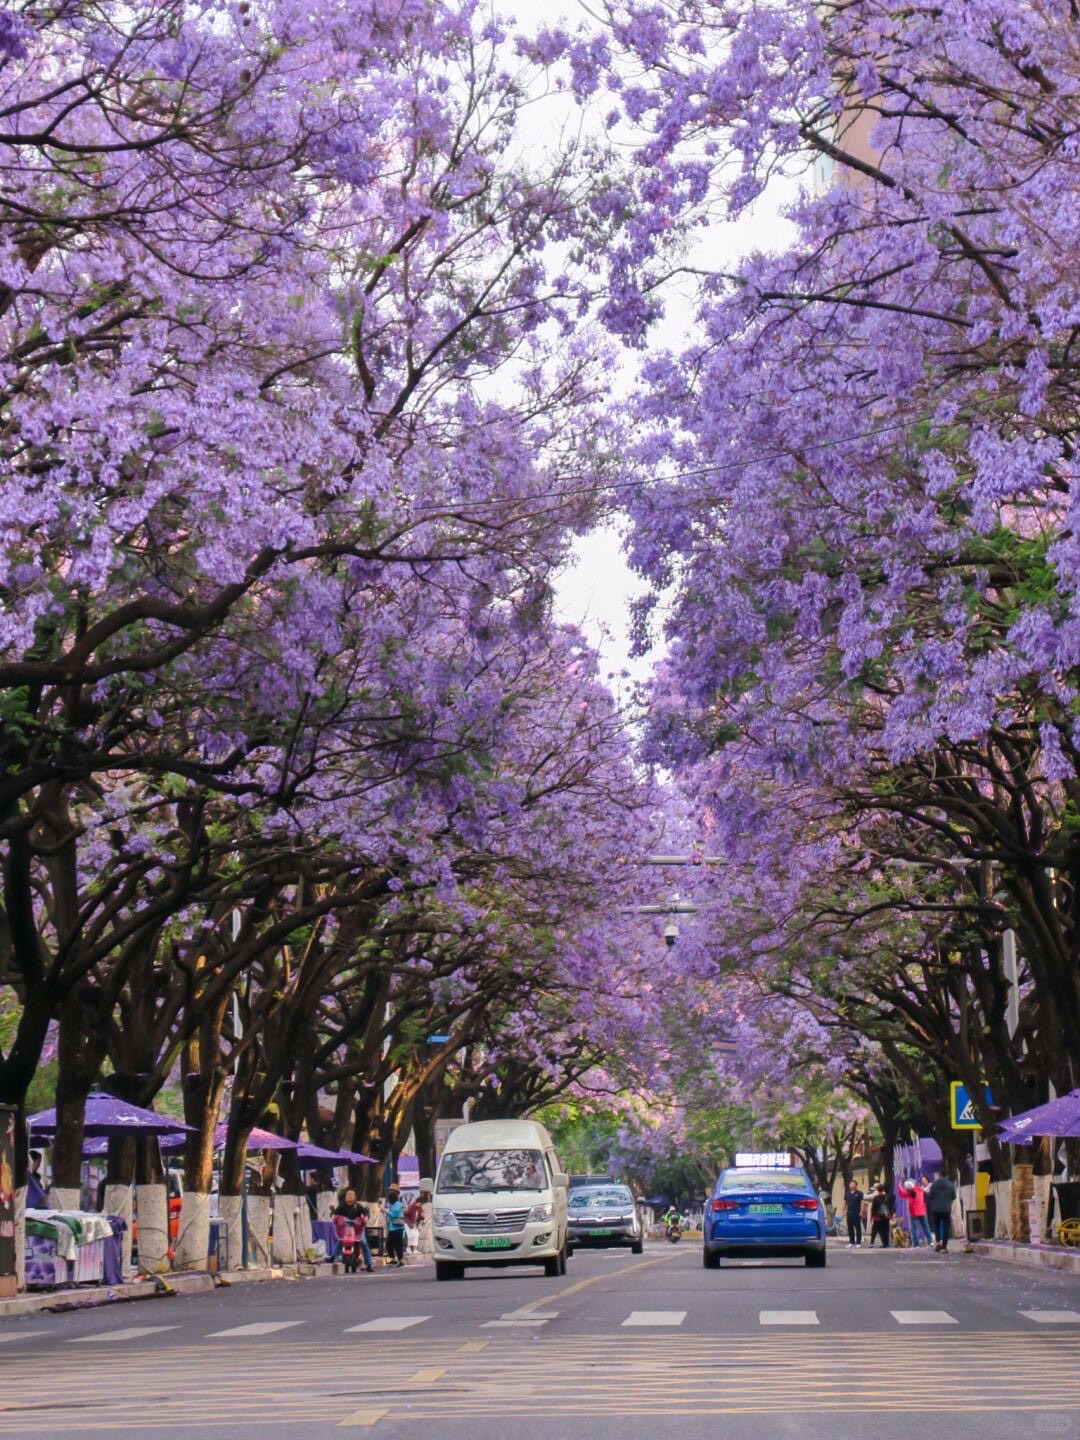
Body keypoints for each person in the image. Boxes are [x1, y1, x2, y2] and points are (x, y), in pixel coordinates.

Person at [333, 1188, 374, 1272]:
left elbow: (365, 1213)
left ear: (354, 1197)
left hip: (357, 1229)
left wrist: (365, 1217)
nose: (350, 1198)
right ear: (345, 1198)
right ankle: (334, 1256)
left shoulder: (358, 1206)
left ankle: (369, 1264)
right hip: (346, 1230)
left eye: (351, 1196)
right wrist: (333, 1216)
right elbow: (335, 1214)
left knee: (364, 1243)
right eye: (348, 1196)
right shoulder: (341, 1206)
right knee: (340, 1241)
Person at [927, 1171, 958, 1252]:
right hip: (946, 1209)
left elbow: (930, 1196)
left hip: (936, 1209)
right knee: (946, 1227)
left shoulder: (934, 1184)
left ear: (939, 1175)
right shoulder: (950, 1184)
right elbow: (954, 1196)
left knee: (936, 1226)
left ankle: (938, 1242)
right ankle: (944, 1246)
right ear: (946, 1176)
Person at [904, 1176, 933, 1248]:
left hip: (914, 1213)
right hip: (922, 1211)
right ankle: (930, 1241)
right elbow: (926, 1192)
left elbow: (909, 1203)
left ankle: (916, 1244)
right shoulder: (919, 1190)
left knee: (915, 1228)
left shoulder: (909, 1193)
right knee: (926, 1227)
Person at [386, 1184, 407, 1267]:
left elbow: (394, 1213)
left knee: (398, 1245)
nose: (390, 1191)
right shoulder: (392, 1203)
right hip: (392, 1227)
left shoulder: (399, 1203)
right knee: (389, 1244)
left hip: (398, 1228)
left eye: (392, 1190)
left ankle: (400, 1260)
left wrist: (385, 1211)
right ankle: (394, 1259)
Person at [845, 1179, 865, 1247]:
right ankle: (851, 1242)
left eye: (852, 1184)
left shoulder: (859, 1193)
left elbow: (862, 1202)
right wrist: (844, 1211)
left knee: (858, 1228)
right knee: (850, 1228)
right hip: (849, 1213)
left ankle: (858, 1242)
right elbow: (845, 1203)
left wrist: (861, 1211)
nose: (850, 1185)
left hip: (856, 1212)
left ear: (855, 1185)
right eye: (850, 1184)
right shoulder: (847, 1193)